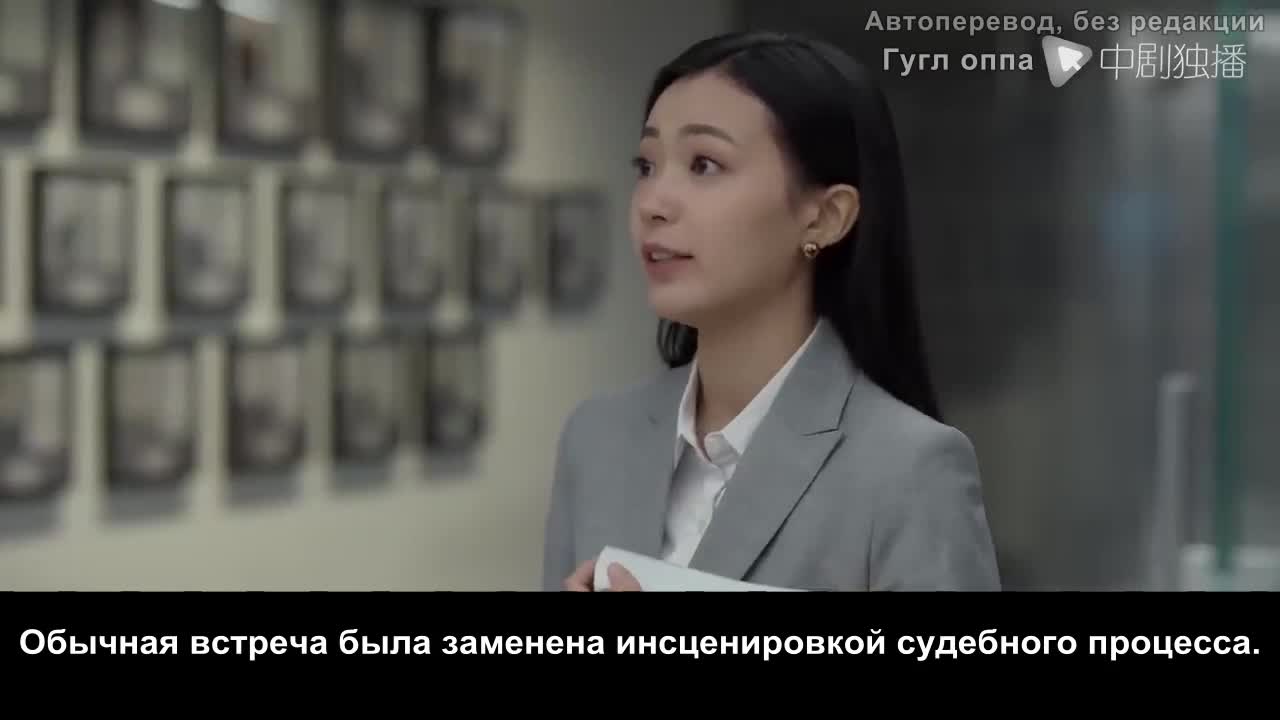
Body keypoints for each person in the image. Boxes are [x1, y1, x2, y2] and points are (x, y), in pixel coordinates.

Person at [541, 30, 1001, 592]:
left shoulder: (908, 468)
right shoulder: (596, 438)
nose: (653, 203)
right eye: (646, 165)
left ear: (825, 217)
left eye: (704, 164)